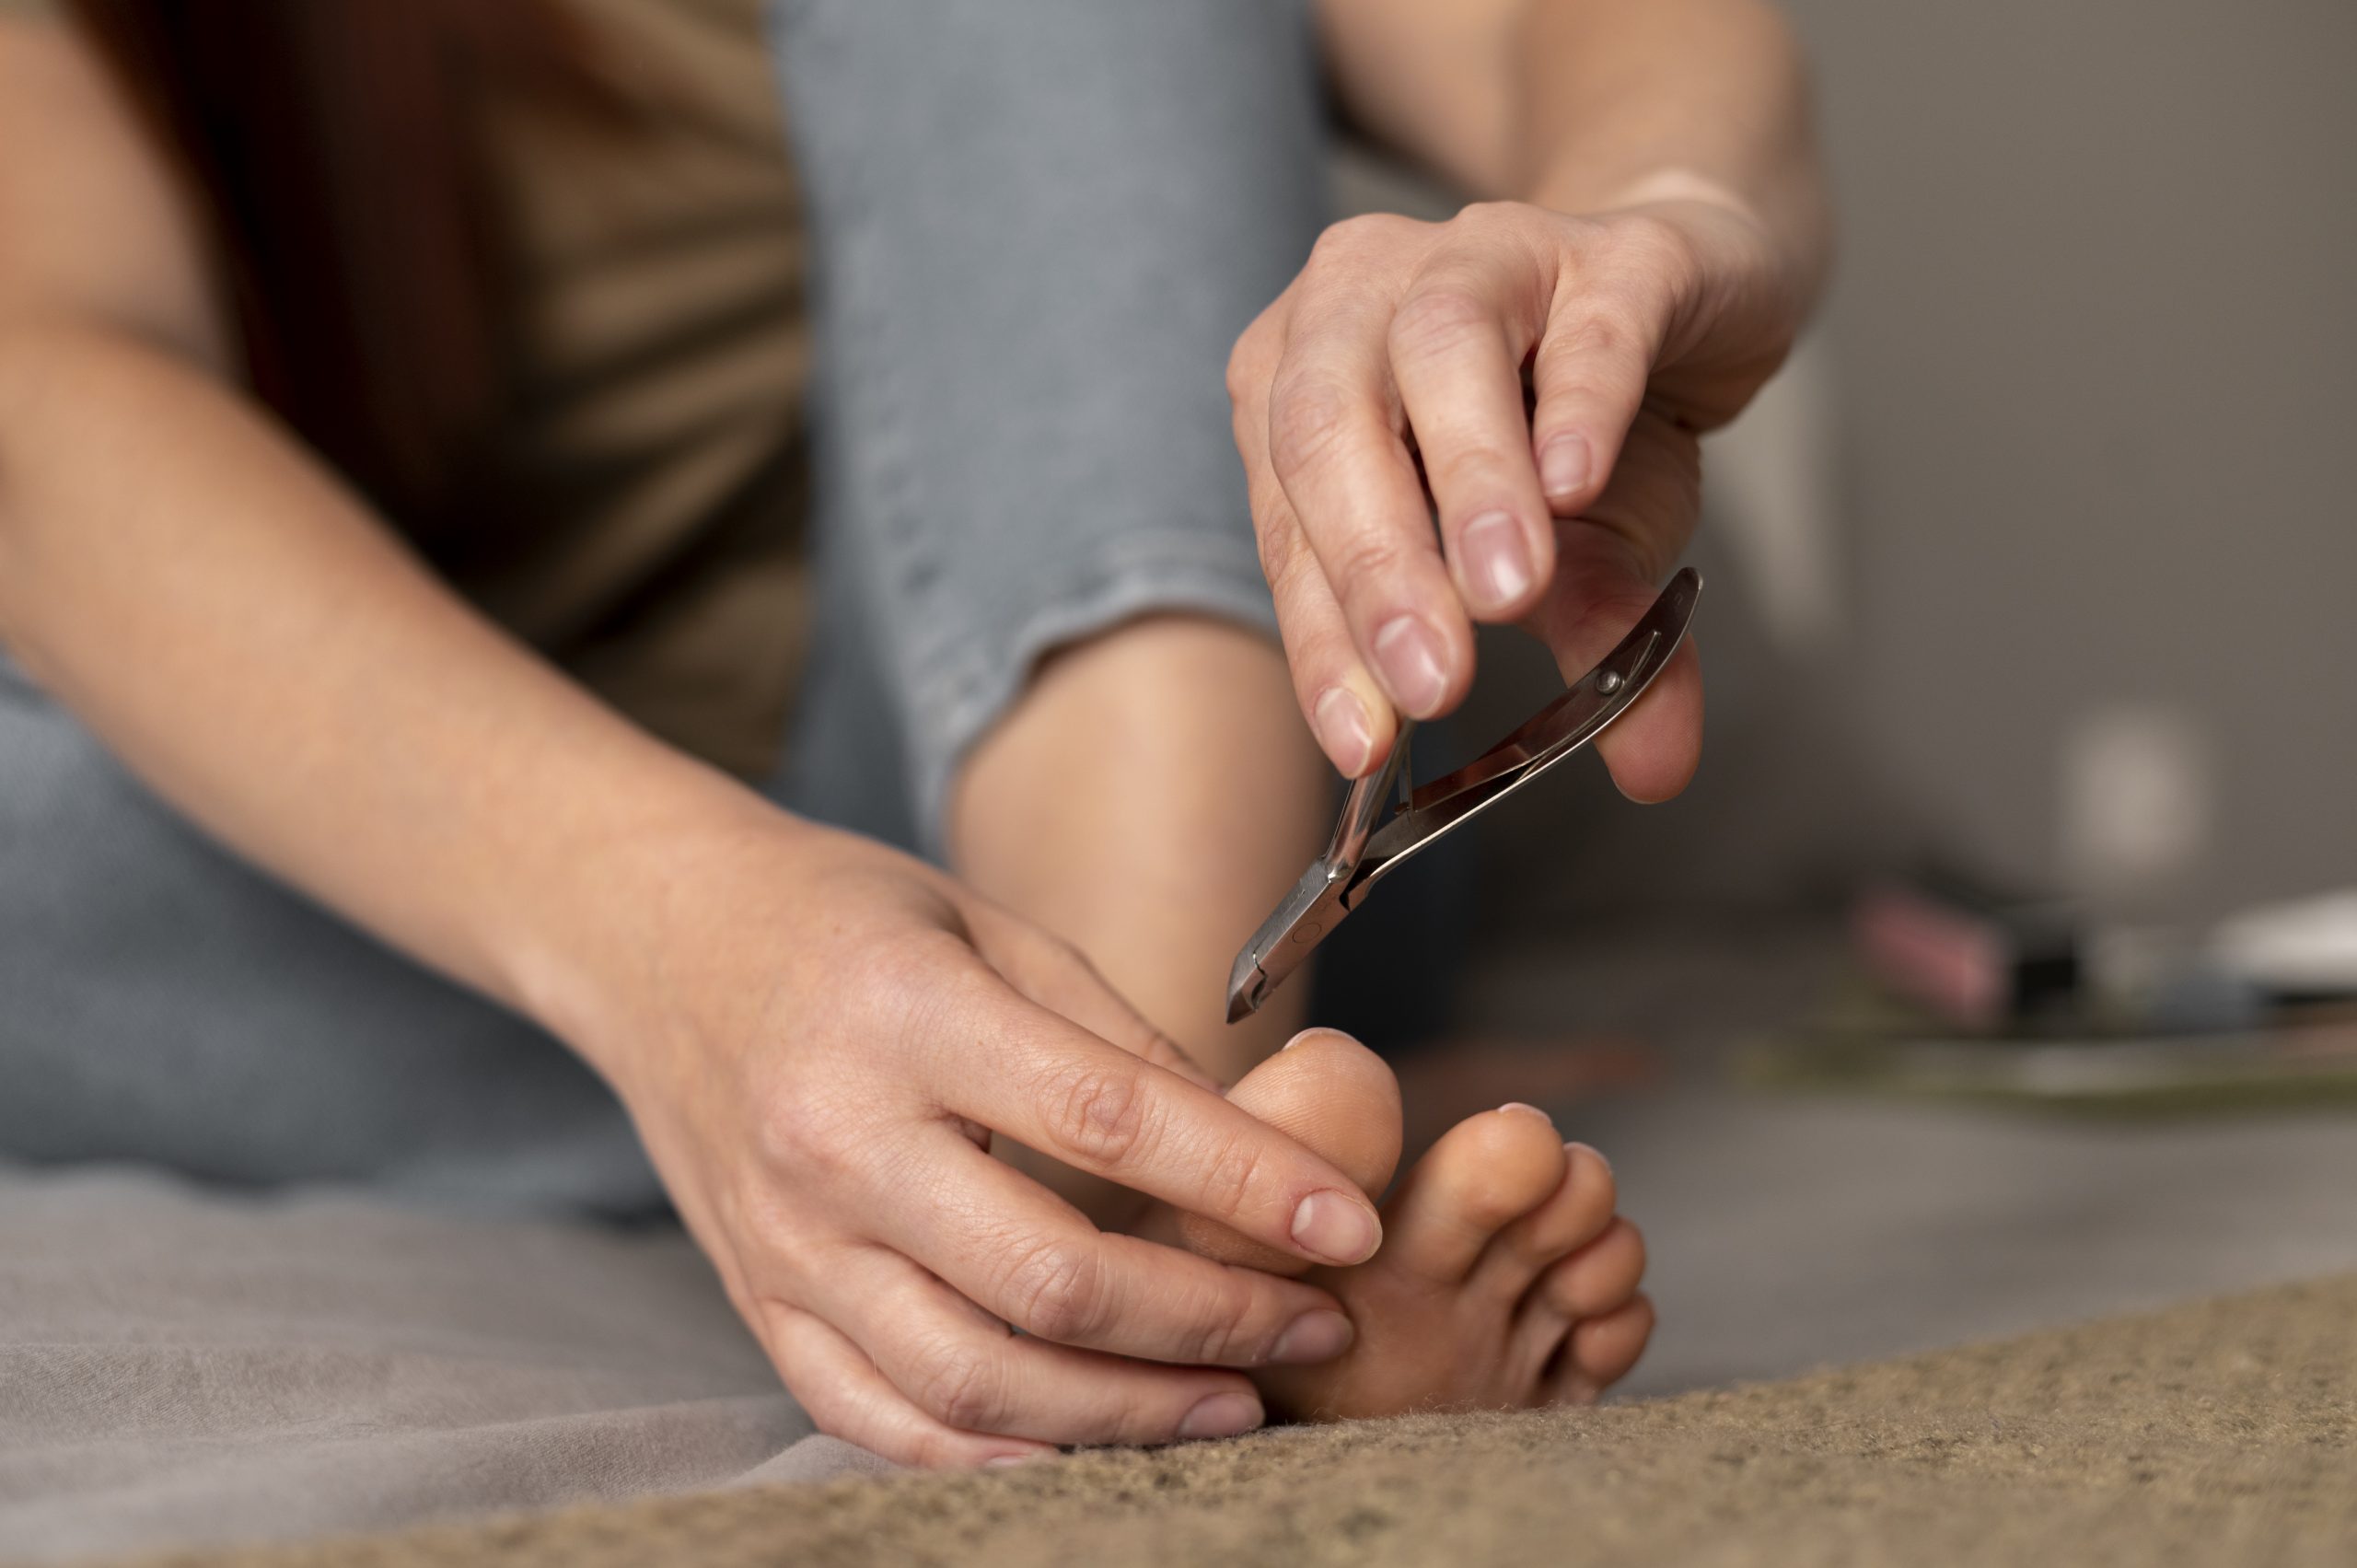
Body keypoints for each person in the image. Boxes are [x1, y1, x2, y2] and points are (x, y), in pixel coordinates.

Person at [0, 0, 1827, 1479]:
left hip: (1114, 791)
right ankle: (1138, 1172)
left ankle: (1122, 1126)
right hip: (495, 847)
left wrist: (1649, 216)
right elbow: (49, 396)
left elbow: (1571, 28)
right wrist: (666, 937)